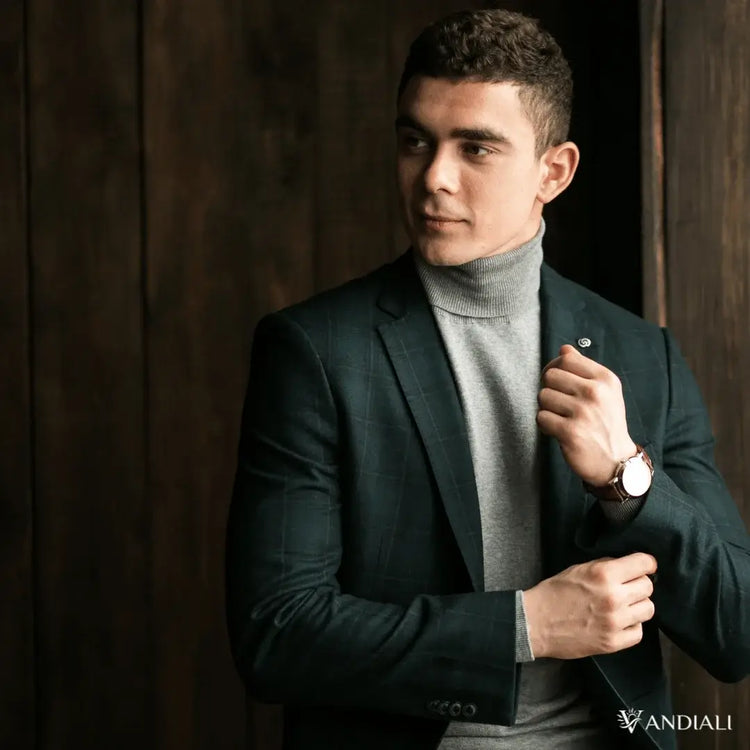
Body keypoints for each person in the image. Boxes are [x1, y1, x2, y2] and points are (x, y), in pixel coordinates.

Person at [226, 9, 750, 749]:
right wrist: (525, 626)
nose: (433, 178)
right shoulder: (316, 350)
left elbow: (736, 631)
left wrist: (626, 480)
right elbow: (275, 636)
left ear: (553, 172)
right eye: (416, 141)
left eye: (475, 148)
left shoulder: (643, 354)